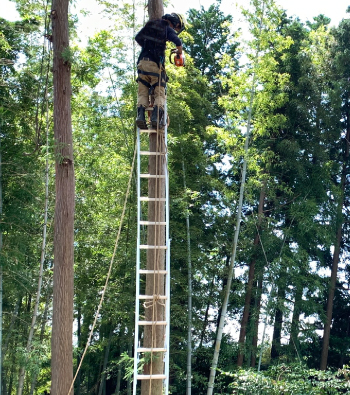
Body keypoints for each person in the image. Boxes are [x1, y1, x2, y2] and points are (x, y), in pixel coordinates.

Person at [135, 13, 185, 129]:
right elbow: (178, 42)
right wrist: (179, 53)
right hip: (155, 65)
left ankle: (141, 117)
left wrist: (148, 46)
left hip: (142, 64)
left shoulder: (150, 25)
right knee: (159, 91)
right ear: (175, 23)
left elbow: (138, 38)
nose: (174, 30)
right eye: (176, 28)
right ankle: (156, 117)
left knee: (142, 92)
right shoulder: (166, 28)